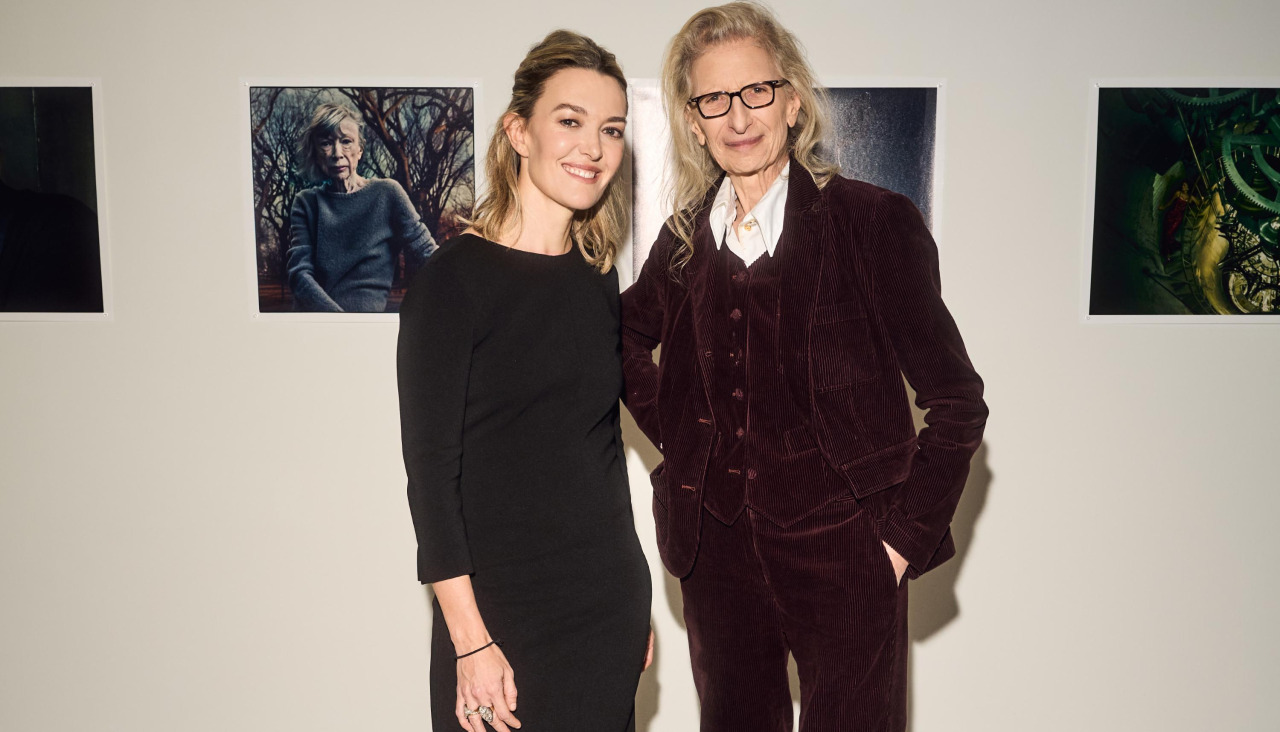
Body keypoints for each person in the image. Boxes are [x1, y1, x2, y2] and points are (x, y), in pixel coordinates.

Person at [621, 4, 988, 731]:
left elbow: (957, 404)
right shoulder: (684, 238)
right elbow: (618, 341)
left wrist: (896, 543)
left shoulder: (874, 223)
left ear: (792, 101)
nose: (738, 116)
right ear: (693, 121)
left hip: (846, 550)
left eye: (756, 91)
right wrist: (687, 443)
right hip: (717, 556)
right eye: (713, 100)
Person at [397, 30, 652, 732]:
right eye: (569, 121)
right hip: (496, 616)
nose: (593, 149)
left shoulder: (599, 278)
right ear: (519, 131)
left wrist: (634, 604)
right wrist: (469, 639)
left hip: (605, 608)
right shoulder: (452, 283)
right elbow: (430, 480)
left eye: (612, 130)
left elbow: (599, 456)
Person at [286, 103, 436, 312]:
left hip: (367, 329)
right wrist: (342, 322)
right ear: (316, 153)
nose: (337, 153)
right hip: (314, 326)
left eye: (346, 142)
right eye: (326, 143)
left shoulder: (388, 193)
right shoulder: (306, 202)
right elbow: (299, 273)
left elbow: (429, 254)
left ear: (360, 151)